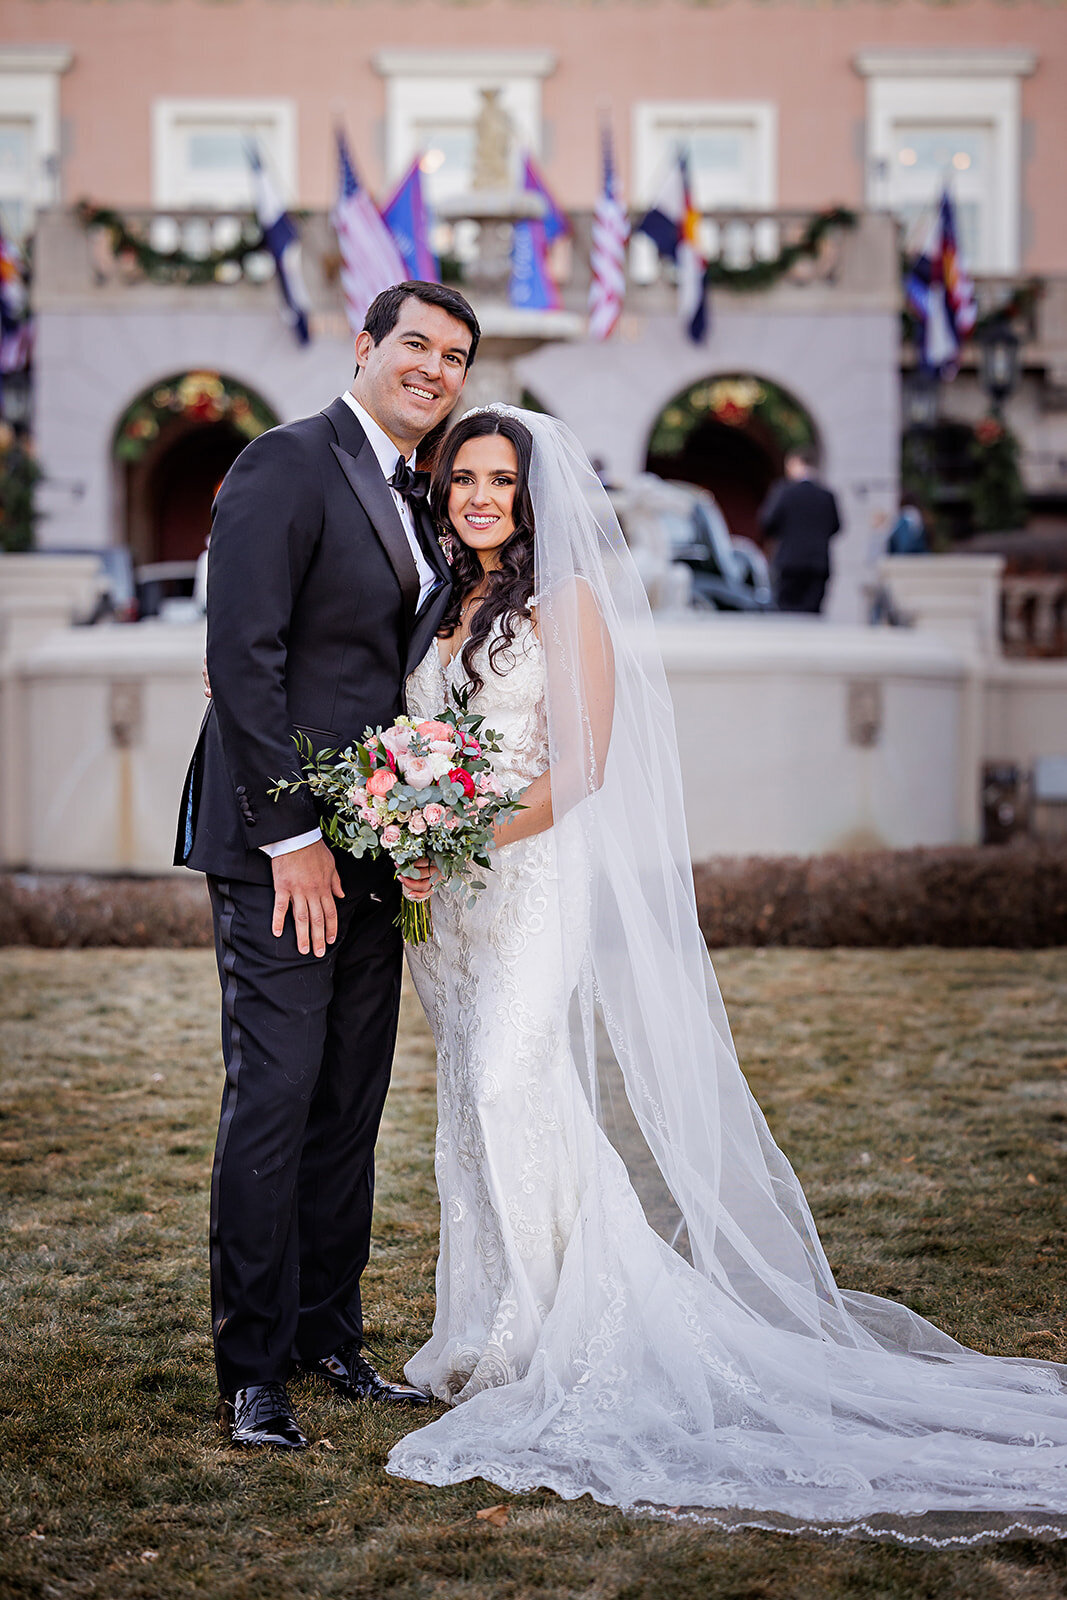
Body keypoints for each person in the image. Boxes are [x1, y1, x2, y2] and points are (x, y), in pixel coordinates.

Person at [387, 405, 1067, 1544]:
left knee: (513, 1079)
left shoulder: (566, 604)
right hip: (449, 900)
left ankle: (554, 1328)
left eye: (500, 480)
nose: (481, 497)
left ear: (530, 493)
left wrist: (457, 834)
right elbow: (421, 739)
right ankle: (480, 1330)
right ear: (443, 489)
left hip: (529, 881)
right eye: (464, 478)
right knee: (474, 1097)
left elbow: (587, 764)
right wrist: (411, 825)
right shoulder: (436, 606)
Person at [174, 280, 479, 1451]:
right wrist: (289, 837)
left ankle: (328, 1336)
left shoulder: (425, 494)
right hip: (281, 851)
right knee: (275, 1098)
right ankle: (253, 1371)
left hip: (380, 848)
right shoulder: (283, 462)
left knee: (348, 1104)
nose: (433, 368)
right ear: (364, 346)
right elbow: (240, 658)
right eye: (415, 344)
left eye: (453, 356)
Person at [758, 446, 841, 614]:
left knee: (786, 613)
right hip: (817, 563)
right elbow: (837, 526)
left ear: (795, 463)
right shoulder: (826, 496)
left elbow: (767, 522)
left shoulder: (784, 492)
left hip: (789, 562)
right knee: (811, 613)